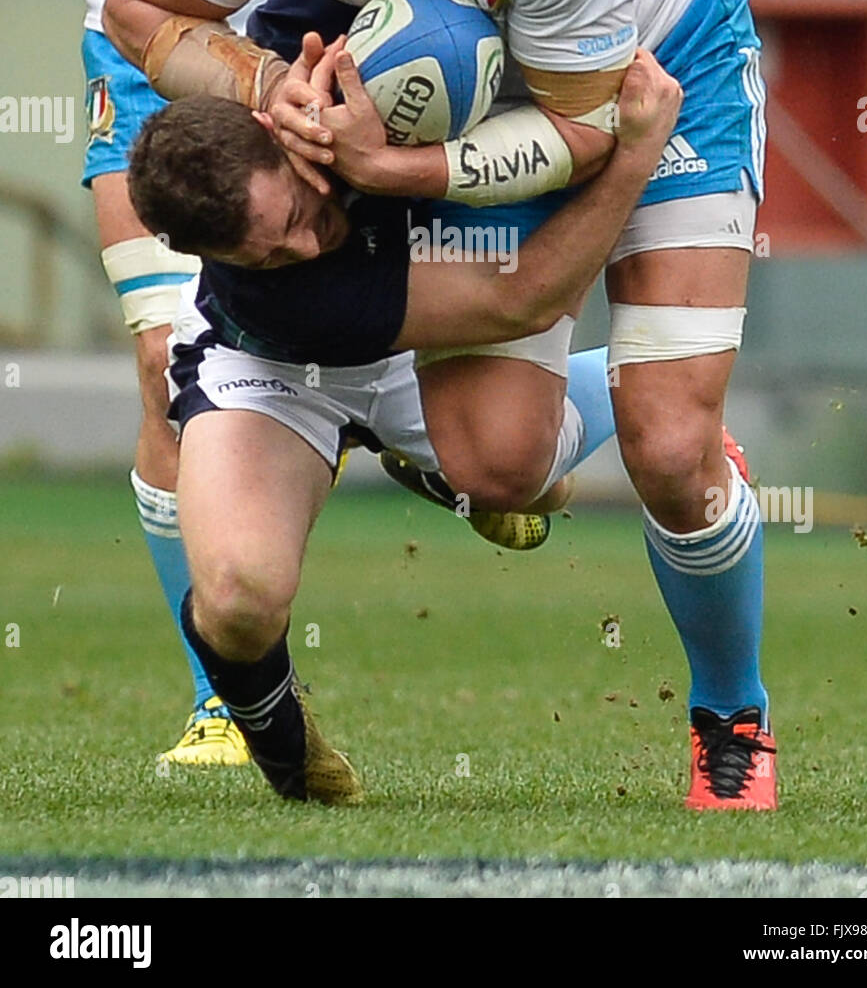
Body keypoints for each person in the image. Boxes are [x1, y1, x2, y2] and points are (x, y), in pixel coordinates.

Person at [106, 0, 776, 811]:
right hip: (493, 110)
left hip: (660, 70)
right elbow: (138, 5)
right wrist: (280, 91)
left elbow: (589, 129)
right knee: (501, 463)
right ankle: (452, 443)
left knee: (670, 443)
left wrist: (381, 166)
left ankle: (731, 717)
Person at [0, 0, 497, 767]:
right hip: (152, 24)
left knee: (359, 278)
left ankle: (454, 437)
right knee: (166, 351)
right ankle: (224, 696)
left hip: (347, 24)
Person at [124, 49, 682, 805]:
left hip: (420, 335)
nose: (301, 247)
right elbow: (524, 299)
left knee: (532, 485)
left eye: (292, 216)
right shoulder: (280, 295)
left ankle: (471, 462)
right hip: (274, 371)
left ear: (278, 131)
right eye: (261, 254)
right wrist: (634, 158)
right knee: (238, 599)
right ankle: (287, 756)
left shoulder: (327, 63)